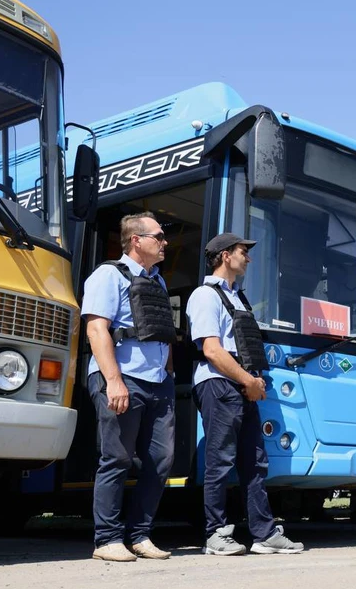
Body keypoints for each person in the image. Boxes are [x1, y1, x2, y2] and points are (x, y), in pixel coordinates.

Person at [187, 233, 303, 555]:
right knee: (220, 461)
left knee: (254, 461)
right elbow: (212, 350)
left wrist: (254, 380)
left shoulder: (239, 298)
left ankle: (264, 534)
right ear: (225, 256)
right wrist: (248, 382)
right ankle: (215, 534)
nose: (248, 258)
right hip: (219, 383)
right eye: (242, 252)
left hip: (241, 384)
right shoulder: (205, 296)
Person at [82, 212, 176, 562]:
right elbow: (96, 330)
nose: (165, 242)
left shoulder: (158, 282)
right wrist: (114, 381)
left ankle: (139, 535)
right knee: (117, 457)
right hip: (121, 378)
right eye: (159, 236)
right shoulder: (108, 275)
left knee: (161, 460)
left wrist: (168, 372)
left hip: (156, 383)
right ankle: (106, 540)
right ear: (137, 240)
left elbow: (161, 331)